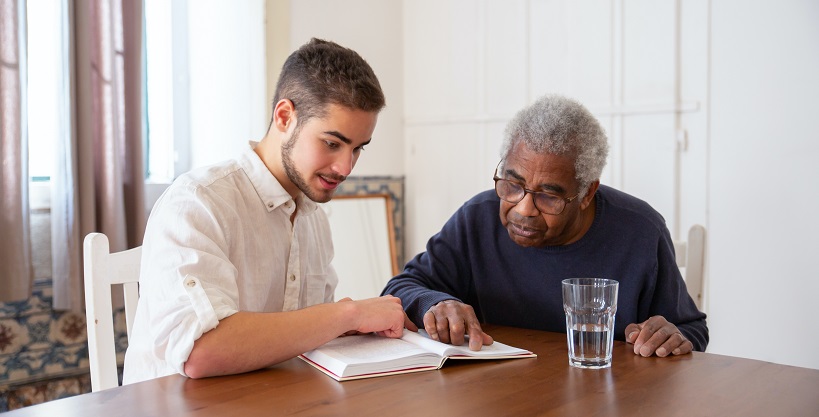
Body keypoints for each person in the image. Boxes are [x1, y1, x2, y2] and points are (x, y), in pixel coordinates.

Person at [123, 38, 416, 384]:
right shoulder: (198, 201)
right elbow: (201, 353)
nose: (345, 167)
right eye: (332, 144)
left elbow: (307, 337)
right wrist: (348, 314)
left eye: (357, 149)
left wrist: (360, 330)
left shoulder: (314, 219)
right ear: (284, 116)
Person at [382, 94, 708, 358]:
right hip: (499, 398)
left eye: (549, 196)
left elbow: (691, 329)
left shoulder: (640, 231)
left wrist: (670, 336)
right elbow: (400, 288)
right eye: (512, 185)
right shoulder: (477, 219)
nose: (523, 209)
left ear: (585, 193)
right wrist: (436, 302)